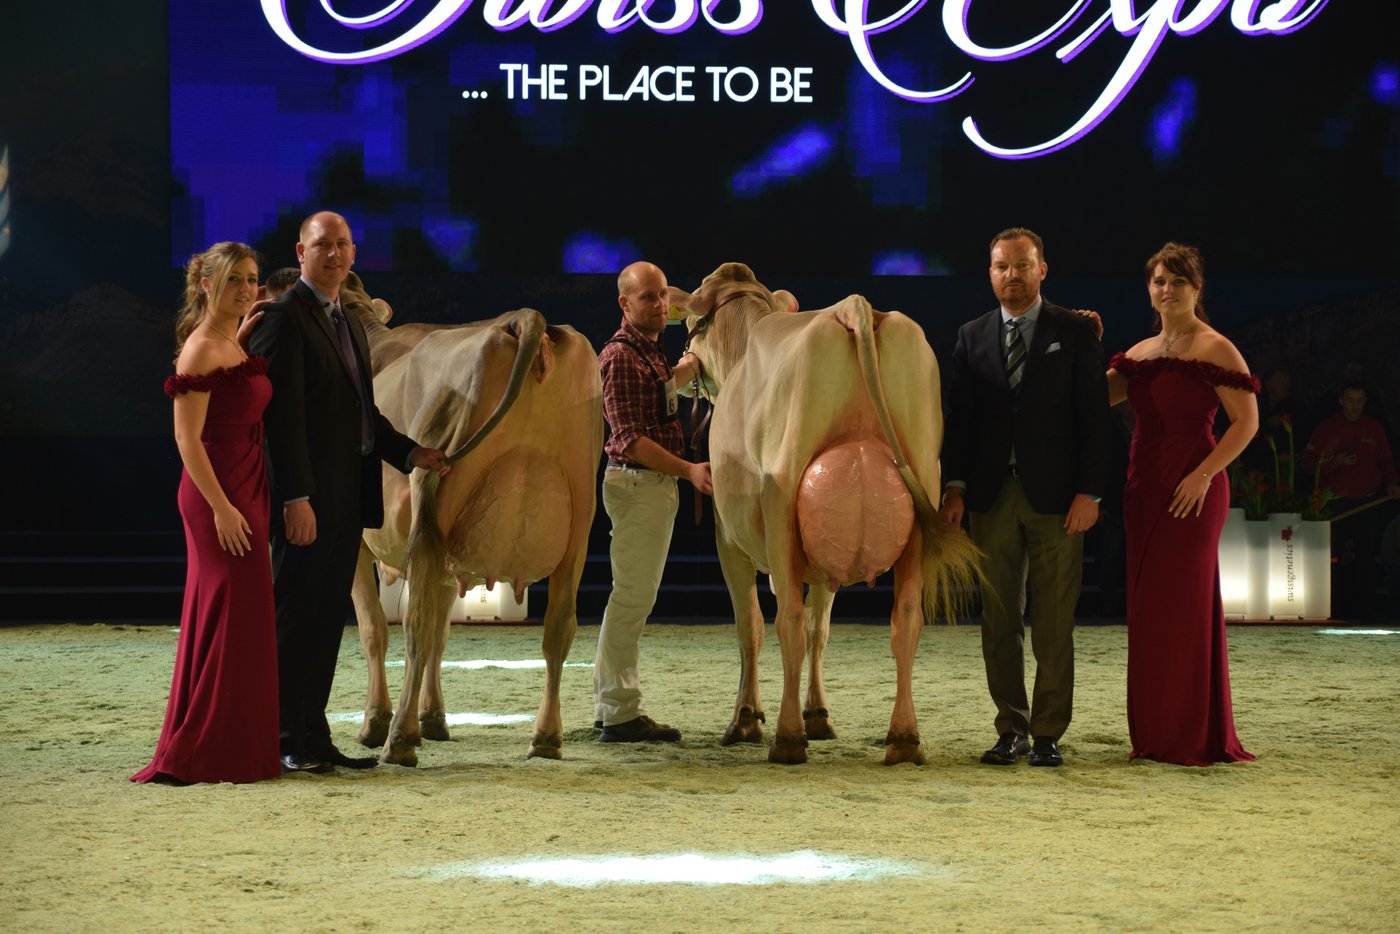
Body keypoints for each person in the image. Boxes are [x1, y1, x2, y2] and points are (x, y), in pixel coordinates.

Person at [249, 211, 449, 774]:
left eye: (342, 245)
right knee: (295, 621)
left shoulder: (345, 320)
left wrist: (411, 453)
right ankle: (286, 738)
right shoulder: (283, 319)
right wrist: (294, 499)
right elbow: (279, 422)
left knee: (322, 622)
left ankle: (314, 735)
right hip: (307, 501)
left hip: (345, 499)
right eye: (322, 245)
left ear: (353, 254)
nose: (333, 254)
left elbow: (364, 415)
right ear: (301, 251)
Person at [939, 228, 1110, 768]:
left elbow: (1095, 420)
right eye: (1000, 266)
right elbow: (960, 422)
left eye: (1022, 265)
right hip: (991, 499)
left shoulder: (1075, 331)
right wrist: (956, 488)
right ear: (989, 273)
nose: (1011, 275)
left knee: (1055, 622)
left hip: (1060, 500)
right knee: (998, 621)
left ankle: (1047, 733)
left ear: (1042, 269)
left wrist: (1090, 491)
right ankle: (1010, 727)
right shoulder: (970, 335)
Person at [1106, 242, 1258, 766]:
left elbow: (1247, 423)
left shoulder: (1216, 347)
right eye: (1158, 281)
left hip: (1194, 488)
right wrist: (1078, 339)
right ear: (1149, 289)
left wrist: (1203, 474)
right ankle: (1153, 734)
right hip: (1143, 490)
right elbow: (1087, 398)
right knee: (1149, 611)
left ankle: (1191, 736)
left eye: (1177, 281)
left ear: (1197, 289)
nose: (1166, 290)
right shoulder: (1141, 353)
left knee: (1185, 610)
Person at [133, 242, 280, 785]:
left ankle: (230, 746)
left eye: (251, 278)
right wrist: (221, 508)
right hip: (216, 493)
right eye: (234, 280)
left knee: (239, 619)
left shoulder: (228, 341)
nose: (246, 288)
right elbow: (185, 437)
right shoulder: (199, 348)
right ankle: (198, 752)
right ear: (206, 285)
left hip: (247, 483)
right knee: (228, 616)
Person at [593, 261, 713, 743]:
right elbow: (630, 439)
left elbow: (660, 394)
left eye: (664, 295)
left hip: (647, 486)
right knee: (632, 598)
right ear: (625, 304)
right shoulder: (621, 356)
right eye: (648, 297)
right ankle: (620, 712)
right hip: (639, 482)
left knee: (630, 597)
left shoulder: (648, 353)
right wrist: (689, 470)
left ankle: (611, 704)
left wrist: (690, 364)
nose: (661, 304)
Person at [1301, 384, 1400, 619]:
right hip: (1334, 504)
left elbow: (1387, 461)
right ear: (1341, 401)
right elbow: (1306, 463)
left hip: (1366, 503)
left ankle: (1364, 612)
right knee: (1331, 557)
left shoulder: (1374, 427)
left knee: (1365, 558)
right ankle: (1329, 608)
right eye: (1350, 400)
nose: (1355, 405)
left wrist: (1392, 483)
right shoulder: (1327, 427)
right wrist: (1334, 462)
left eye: (1360, 400)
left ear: (1365, 402)